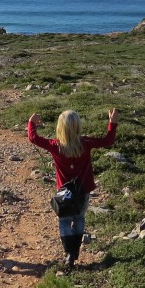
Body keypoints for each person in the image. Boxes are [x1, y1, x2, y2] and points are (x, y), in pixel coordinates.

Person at [28, 108, 119, 269]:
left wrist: (31, 123)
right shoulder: (85, 143)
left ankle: (69, 253)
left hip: (63, 193)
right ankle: (74, 251)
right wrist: (112, 123)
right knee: (79, 218)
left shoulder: (55, 145)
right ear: (77, 126)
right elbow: (108, 141)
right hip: (82, 192)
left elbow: (33, 138)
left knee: (64, 221)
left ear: (60, 127)